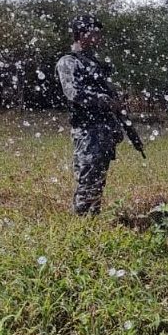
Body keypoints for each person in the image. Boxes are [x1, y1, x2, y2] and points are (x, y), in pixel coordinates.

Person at [55, 14, 125, 216]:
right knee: (87, 181)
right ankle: (82, 228)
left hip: (103, 130)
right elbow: (73, 93)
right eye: (93, 32)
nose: (98, 36)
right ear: (81, 34)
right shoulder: (68, 61)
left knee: (98, 181)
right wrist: (105, 100)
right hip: (87, 131)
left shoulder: (94, 62)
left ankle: (92, 220)